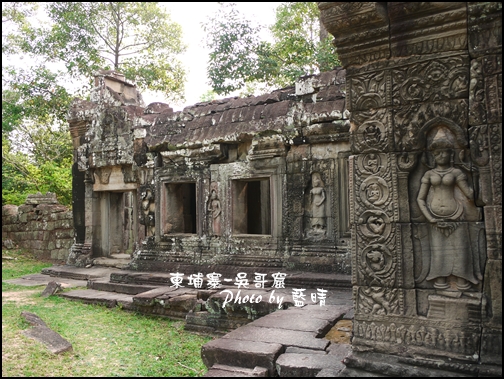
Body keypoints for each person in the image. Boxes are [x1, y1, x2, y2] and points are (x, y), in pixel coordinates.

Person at [416, 137, 478, 291]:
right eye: (437, 153)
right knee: (438, 253)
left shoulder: (456, 172)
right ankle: (441, 282)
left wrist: (472, 171)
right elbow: (420, 198)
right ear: (433, 155)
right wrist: (430, 218)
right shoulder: (430, 174)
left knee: (460, 250)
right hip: (434, 218)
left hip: (457, 216)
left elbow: (470, 195)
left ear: (451, 154)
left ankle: (462, 282)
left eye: (444, 152)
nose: (441, 155)